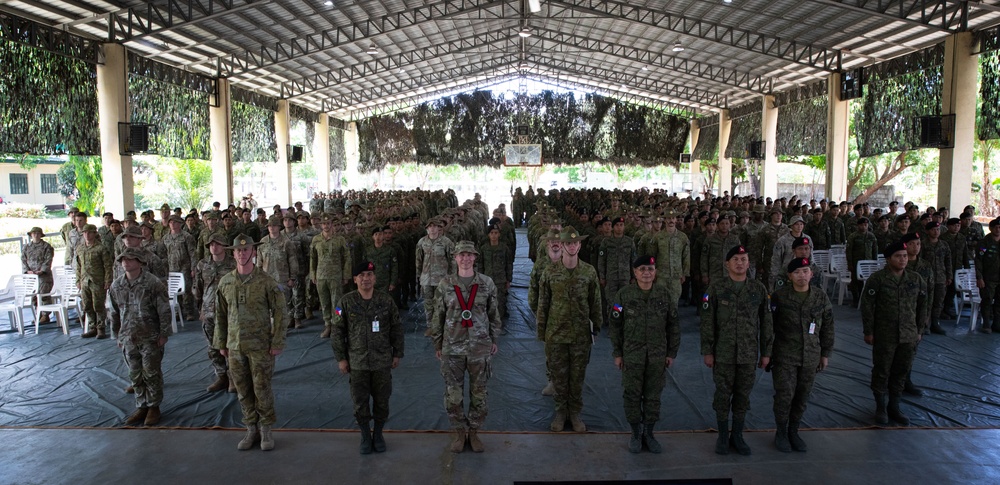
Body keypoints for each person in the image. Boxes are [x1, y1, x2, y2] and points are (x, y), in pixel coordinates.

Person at [214, 234, 288, 451]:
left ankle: (266, 429)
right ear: (233, 253)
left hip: (261, 346)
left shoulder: (266, 281)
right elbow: (219, 315)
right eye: (238, 250)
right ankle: (250, 428)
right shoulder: (226, 281)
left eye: (246, 250)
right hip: (235, 346)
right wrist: (221, 342)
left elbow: (281, 312)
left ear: (254, 252)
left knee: (262, 388)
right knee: (243, 390)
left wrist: (277, 341)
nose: (242, 253)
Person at [700, 245, 773, 456]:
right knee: (723, 396)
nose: (740, 263)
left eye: (743, 259)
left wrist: (766, 352)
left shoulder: (758, 289)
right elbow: (707, 322)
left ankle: (738, 436)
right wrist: (708, 350)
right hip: (722, 353)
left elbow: (766, 323)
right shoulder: (716, 288)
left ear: (749, 263)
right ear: (727, 264)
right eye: (735, 259)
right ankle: (723, 436)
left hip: (748, 354)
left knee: (743, 396)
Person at [430, 241, 501, 453]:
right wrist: (438, 342)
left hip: (479, 347)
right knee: (453, 394)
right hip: (452, 347)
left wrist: (493, 339)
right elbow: (438, 316)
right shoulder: (445, 284)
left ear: (475, 257)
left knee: (479, 394)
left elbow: (494, 315)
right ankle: (460, 432)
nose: (466, 258)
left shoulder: (486, 284)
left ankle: (475, 432)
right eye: (462, 255)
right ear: (455, 258)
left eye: (470, 255)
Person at [609, 255, 680, 454]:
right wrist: (618, 353)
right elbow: (615, 326)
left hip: (657, 356)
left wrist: (671, 352)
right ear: (635, 272)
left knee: (653, 396)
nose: (646, 273)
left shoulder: (664, 295)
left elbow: (673, 325)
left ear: (655, 272)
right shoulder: (624, 296)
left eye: (650, 269)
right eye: (642, 269)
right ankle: (635, 432)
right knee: (632, 394)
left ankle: (649, 433)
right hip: (632, 355)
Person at [332, 261, 404, 455]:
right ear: (355, 279)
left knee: (382, 400)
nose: (366, 279)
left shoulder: (386, 300)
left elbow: (397, 327)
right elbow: (337, 331)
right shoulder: (344, 303)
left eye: (369, 275)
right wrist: (341, 358)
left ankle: (378, 434)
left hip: (382, 360)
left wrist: (397, 352)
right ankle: (365, 435)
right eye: (361, 275)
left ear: (375, 278)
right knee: (360, 401)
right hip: (357, 362)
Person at [537, 226, 603, 433]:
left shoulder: (589, 272)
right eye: (568, 243)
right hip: (556, 334)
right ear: (563, 246)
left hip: (581, 335)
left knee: (576, 377)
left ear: (580, 245)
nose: (572, 246)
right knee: (559, 377)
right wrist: (542, 332)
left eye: (575, 243)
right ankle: (560, 412)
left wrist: (596, 329)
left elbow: (596, 303)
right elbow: (543, 305)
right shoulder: (550, 272)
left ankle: (574, 413)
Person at [769, 257, 834, 452]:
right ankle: (780, 432)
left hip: (811, 356)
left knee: (802, 395)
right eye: (797, 272)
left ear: (811, 274)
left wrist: (825, 354)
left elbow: (828, 328)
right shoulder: (779, 297)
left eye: (805, 271)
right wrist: (767, 353)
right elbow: (769, 327)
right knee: (784, 395)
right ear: (790, 276)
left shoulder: (820, 297)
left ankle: (793, 431)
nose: (802, 276)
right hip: (785, 356)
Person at [862, 241, 928, 426]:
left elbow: (923, 305)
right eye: (898, 256)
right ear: (889, 258)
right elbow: (867, 307)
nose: (903, 259)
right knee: (882, 370)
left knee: (901, 371)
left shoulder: (915, 279)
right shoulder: (877, 279)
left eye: (905, 256)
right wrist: (868, 331)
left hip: (908, 334)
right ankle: (880, 407)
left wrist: (919, 329)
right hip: (885, 333)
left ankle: (895, 405)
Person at [108, 248, 172, 426]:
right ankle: (141, 405)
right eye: (123, 260)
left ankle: (154, 406)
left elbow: (164, 309)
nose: (126, 263)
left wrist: (164, 333)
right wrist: (117, 335)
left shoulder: (153, 283)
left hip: (150, 336)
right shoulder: (116, 285)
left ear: (140, 262)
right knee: (135, 374)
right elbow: (114, 312)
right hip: (129, 337)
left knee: (151, 373)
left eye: (130, 259)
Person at [194, 233, 237, 393]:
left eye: (217, 244)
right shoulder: (202, 264)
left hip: (229, 312)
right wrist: (201, 308)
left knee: (230, 345)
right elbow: (198, 288)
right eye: (211, 244)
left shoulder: (233, 263)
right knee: (213, 347)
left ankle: (233, 377)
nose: (214, 247)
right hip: (209, 311)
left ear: (224, 246)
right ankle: (221, 376)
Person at [310, 214, 352, 338]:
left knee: (337, 303)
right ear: (321, 225)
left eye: (328, 224)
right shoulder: (316, 239)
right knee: (324, 302)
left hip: (336, 275)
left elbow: (347, 258)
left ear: (332, 225)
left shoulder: (340, 239)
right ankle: (327, 324)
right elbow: (313, 258)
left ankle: (337, 324)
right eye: (324, 224)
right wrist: (313, 274)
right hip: (321, 276)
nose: (326, 226)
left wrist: (346, 275)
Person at [258, 216, 299, 329]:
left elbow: (292, 261)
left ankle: (283, 326)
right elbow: (259, 263)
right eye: (269, 226)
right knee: (268, 304)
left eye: (274, 226)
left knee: (283, 303)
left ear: (279, 227)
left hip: (283, 279)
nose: (271, 228)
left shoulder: (286, 242)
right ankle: (272, 326)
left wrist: (292, 278)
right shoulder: (263, 242)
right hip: (267, 279)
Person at [415, 218, 455, 334]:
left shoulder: (446, 242)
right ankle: (430, 326)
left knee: (441, 303)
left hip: (441, 278)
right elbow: (418, 259)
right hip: (426, 278)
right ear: (427, 229)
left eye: (435, 226)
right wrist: (418, 274)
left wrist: (452, 276)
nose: (432, 229)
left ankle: (442, 326)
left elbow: (452, 259)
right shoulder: (422, 242)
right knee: (428, 303)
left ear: (439, 228)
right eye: (430, 227)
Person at [76, 224, 113, 339]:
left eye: (89, 232)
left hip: (98, 280)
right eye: (85, 233)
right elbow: (78, 266)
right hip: (84, 280)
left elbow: (107, 266)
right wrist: (78, 280)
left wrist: (107, 280)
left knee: (98, 305)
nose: (87, 235)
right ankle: (92, 327)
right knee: (87, 305)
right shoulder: (80, 248)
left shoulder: (101, 248)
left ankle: (101, 328)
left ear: (94, 233)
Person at [21, 227, 54, 324]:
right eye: (33, 233)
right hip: (32, 277)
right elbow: (23, 260)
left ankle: (45, 315)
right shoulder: (27, 247)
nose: (35, 235)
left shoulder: (46, 246)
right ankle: (38, 314)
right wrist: (27, 271)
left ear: (41, 235)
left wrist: (42, 270)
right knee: (34, 296)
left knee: (43, 295)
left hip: (44, 276)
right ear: (31, 235)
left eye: (38, 233)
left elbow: (48, 260)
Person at [975, 218, 1000, 334]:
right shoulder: (984, 243)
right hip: (988, 277)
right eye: (996, 227)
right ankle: (986, 323)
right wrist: (979, 277)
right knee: (987, 300)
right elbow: (978, 260)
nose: (998, 230)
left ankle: (997, 323)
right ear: (990, 228)